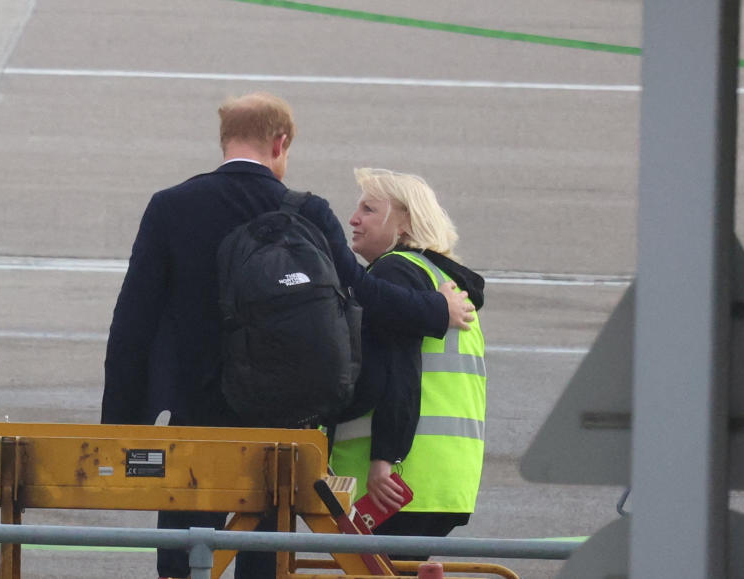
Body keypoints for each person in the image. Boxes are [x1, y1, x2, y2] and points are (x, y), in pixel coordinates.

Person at [101, 93, 475, 579]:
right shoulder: (305, 210)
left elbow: (132, 324)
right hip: (278, 423)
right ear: (280, 144)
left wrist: (120, 430)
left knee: (185, 557)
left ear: (224, 141)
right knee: (265, 557)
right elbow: (362, 294)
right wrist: (436, 308)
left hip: (197, 421)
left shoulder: (171, 207)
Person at [329, 168, 487, 561]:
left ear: (404, 223)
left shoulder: (394, 273)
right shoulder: (442, 282)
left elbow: (398, 370)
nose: (354, 219)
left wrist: (386, 458)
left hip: (394, 479)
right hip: (446, 478)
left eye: (369, 209)